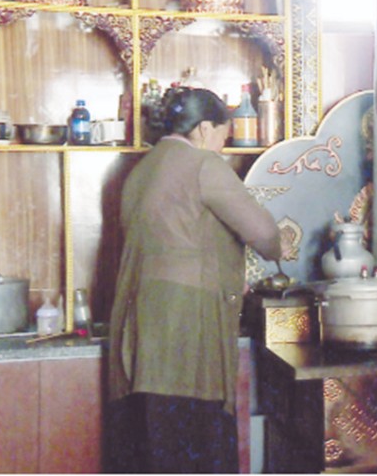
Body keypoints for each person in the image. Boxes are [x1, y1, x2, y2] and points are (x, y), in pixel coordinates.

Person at [106, 86, 282, 473]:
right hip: (184, 326)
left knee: (153, 441)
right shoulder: (203, 164)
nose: (223, 145)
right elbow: (264, 234)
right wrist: (279, 248)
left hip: (137, 327)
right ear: (204, 128)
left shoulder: (140, 170)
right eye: (223, 134)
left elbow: (181, 239)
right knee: (194, 437)